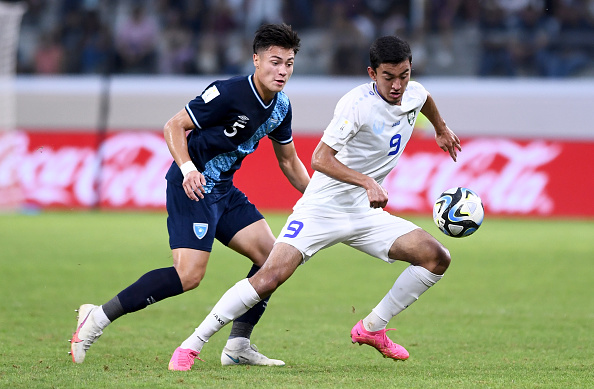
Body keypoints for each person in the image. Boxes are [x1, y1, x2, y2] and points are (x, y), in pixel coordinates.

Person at [168, 35, 461, 370]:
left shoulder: (414, 91)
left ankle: (372, 328)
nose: (397, 85)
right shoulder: (356, 105)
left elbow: (424, 99)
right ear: (372, 73)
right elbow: (320, 158)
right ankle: (192, 345)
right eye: (388, 77)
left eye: (404, 75)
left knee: (435, 258)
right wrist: (367, 181)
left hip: (365, 211)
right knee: (269, 277)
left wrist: (441, 128)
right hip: (323, 208)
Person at [70, 23, 310, 368]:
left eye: (288, 63)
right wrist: (187, 169)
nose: (282, 71)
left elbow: (289, 161)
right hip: (192, 186)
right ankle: (95, 318)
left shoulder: (281, 107)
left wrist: (320, 196)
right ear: (256, 60)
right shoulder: (227, 93)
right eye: (275, 61)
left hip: (224, 191)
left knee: (273, 261)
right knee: (189, 276)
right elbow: (174, 126)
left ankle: (239, 345)